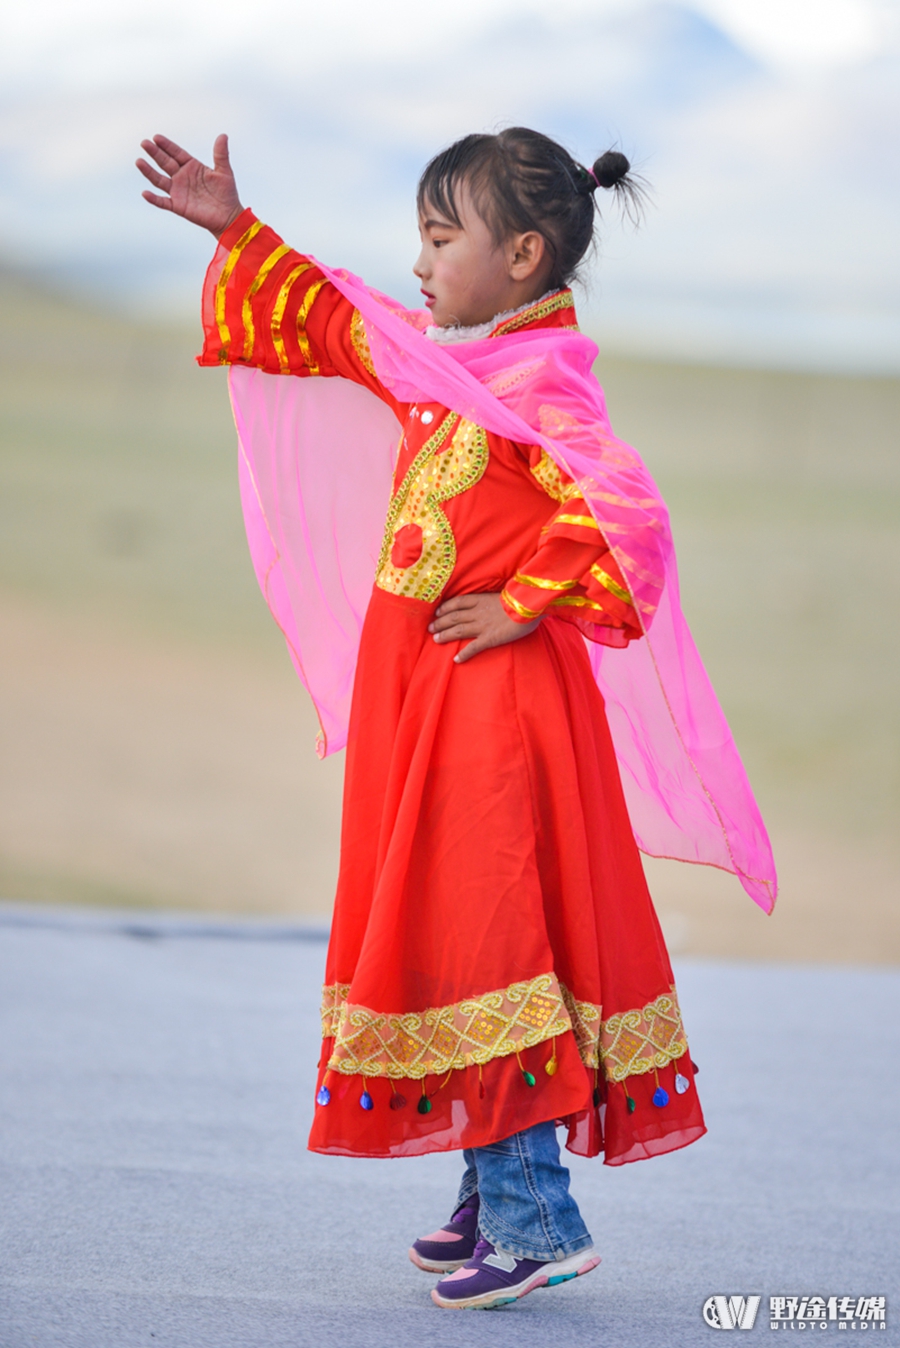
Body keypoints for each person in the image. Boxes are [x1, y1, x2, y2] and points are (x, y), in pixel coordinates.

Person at [137, 127, 776, 1311]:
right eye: (421, 239)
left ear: (523, 253)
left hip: (498, 722)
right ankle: (495, 1191)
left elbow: (629, 516)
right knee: (453, 924)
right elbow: (337, 323)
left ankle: (540, 1219)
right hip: (428, 713)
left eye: (443, 238)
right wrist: (236, 230)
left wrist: (526, 600)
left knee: (496, 939)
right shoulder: (448, 366)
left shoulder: (545, 385)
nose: (420, 263)